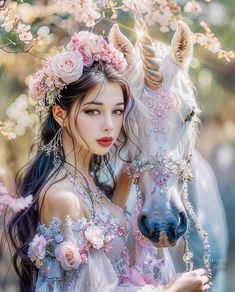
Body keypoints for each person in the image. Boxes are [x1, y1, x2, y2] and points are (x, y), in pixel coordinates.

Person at [6, 30, 210, 292]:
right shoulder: (62, 197)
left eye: (117, 111)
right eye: (93, 111)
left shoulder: (90, 182)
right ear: (59, 113)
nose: (109, 125)